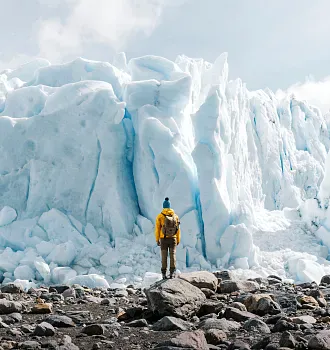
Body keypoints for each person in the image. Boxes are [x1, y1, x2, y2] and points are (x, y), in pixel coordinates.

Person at [155, 197, 180, 280]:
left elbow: (157, 229)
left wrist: (157, 239)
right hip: (173, 238)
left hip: (163, 239)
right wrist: (178, 239)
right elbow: (178, 229)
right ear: (169, 206)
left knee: (164, 256)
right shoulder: (175, 216)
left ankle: (164, 274)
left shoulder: (160, 216)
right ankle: (172, 273)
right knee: (173, 255)